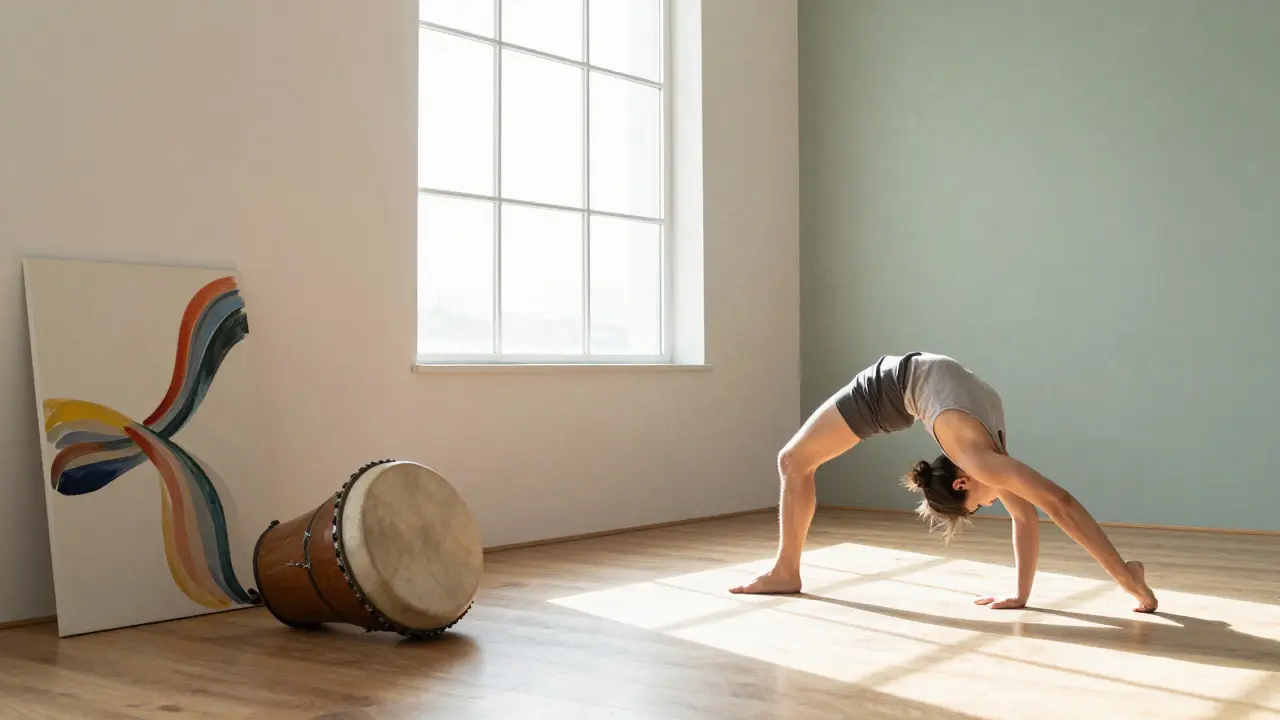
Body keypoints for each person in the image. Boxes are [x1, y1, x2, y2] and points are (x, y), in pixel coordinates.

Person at [729, 352, 1159, 613]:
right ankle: (786, 572)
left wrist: (1024, 594)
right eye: (979, 508)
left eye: (977, 507)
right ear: (961, 484)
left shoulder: (983, 459)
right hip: (889, 389)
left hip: (892, 386)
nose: (990, 504)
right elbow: (1047, 509)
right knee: (792, 461)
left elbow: (1038, 513)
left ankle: (787, 572)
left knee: (793, 461)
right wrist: (1120, 576)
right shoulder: (984, 458)